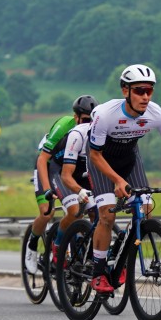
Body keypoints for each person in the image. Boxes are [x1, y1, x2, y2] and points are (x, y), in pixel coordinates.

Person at [86, 65, 161, 294]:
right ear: (125, 91)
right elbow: (95, 155)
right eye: (140, 90)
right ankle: (99, 271)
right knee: (107, 214)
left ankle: (122, 255)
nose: (146, 96)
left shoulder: (156, 113)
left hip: (129, 158)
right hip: (101, 161)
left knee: (146, 209)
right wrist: (117, 181)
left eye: (149, 90)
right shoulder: (105, 114)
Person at [26, 94, 97, 274]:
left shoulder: (95, 130)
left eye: (92, 120)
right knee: (47, 212)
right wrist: (48, 190)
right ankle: (33, 244)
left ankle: (83, 251)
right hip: (51, 167)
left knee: (92, 211)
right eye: (85, 119)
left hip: (73, 169)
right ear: (76, 117)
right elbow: (43, 160)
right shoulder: (64, 125)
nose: (88, 124)